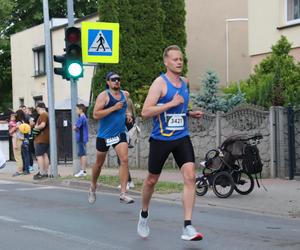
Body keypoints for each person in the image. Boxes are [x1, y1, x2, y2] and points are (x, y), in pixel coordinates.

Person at [137, 45, 204, 241]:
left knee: (190, 176)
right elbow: (146, 112)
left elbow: (179, 111)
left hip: (181, 137)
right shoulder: (159, 83)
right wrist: (170, 104)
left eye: (181, 58)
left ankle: (188, 226)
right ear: (166, 62)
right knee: (151, 180)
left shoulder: (185, 82)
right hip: (161, 139)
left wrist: (189, 113)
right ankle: (143, 214)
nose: (179, 62)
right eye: (175, 59)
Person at [88, 71, 134, 204]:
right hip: (104, 135)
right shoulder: (103, 96)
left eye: (118, 79)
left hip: (119, 133)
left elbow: (126, 106)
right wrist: (113, 108)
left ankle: (123, 193)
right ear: (108, 82)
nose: (116, 81)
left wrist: (128, 113)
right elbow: (96, 115)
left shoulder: (125, 95)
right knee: (99, 163)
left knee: (124, 160)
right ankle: (93, 186)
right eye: (113, 80)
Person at [33, 102, 49, 180]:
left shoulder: (43, 115)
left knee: (39, 155)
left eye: (37, 109)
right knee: (44, 154)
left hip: (41, 138)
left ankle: (42, 173)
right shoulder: (46, 114)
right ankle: (45, 172)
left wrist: (35, 128)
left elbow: (42, 125)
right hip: (45, 138)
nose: (37, 111)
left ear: (39, 108)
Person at [73, 103, 89, 177]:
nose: (76, 111)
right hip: (82, 138)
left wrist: (74, 127)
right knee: (82, 154)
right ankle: (83, 171)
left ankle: (83, 171)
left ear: (81, 110)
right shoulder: (84, 117)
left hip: (81, 138)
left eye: (77, 109)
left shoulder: (81, 118)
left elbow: (76, 128)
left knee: (82, 154)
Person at [12, 110, 25, 176]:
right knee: (19, 155)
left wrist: (11, 129)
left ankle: (19, 170)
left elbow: (13, 131)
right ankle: (20, 169)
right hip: (21, 139)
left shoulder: (18, 123)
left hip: (17, 139)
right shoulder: (23, 122)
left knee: (17, 156)